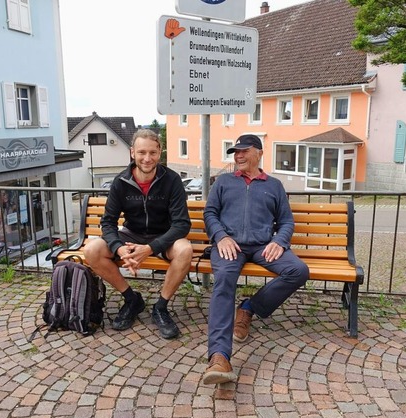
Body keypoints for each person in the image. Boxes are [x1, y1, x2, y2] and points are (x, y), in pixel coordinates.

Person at [202, 134, 309, 384]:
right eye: (235, 152)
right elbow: (210, 213)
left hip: (263, 246)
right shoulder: (223, 182)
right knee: (225, 279)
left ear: (259, 153)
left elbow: (286, 221)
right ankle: (219, 356)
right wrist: (220, 237)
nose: (238, 156)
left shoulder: (273, 185)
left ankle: (249, 308)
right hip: (230, 246)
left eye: (243, 151)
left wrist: (279, 241)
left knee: (298, 270)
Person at [83, 129, 193, 339]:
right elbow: (108, 221)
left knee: (185, 249)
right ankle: (132, 299)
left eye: (152, 152)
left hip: (163, 237)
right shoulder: (121, 181)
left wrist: (151, 249)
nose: (147, 158)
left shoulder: (172, 180)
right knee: (92, 250)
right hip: (131, 235)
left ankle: (160, 307)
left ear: (160, 152)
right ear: (132, 152)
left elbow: (181, 224)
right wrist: (119, 248)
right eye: (142, 152)